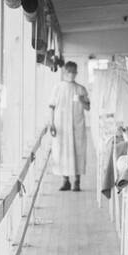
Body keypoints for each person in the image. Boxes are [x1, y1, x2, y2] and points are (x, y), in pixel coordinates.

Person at [47, 61, 90, 191]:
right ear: (64, 72)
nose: (71, 74)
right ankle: (65, 181)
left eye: (73, 72)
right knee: (62, 152)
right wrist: (51, 123)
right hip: (61, 126)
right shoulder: (57, 88)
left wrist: (82, 101)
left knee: (78, 152)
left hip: (77, 126)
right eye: (69, 71)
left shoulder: (81, 89)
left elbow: (88, 107)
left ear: (76, 72)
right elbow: (51, 106)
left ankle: (77, 181)